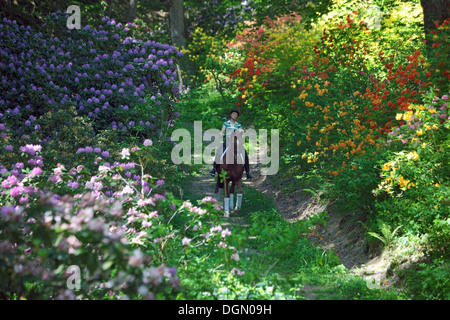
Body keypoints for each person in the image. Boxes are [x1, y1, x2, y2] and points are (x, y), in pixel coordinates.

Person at [209, 108, 252, 179]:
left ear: (237, 116)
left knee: (244, 153)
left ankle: (248, 172)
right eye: (233, 114)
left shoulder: (238, 124)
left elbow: (241, 131)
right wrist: (222, 134)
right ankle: (214, 169)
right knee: (220, 151)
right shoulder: (226, 123)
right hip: (228, 141)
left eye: (236, 115)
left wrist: (241, 132)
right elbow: (222, 131)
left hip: (236, 141)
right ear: (231, 115)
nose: (234, 115)